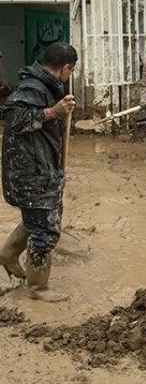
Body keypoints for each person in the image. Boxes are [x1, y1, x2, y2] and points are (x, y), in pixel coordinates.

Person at [0, 42, 78, 302]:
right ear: (66, 68)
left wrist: (58, 111)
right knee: (45, 230)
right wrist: (52, 112)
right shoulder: (31, 88)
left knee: (39, 218)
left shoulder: (45, 85)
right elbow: (13, 119)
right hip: (31, 171)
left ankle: (8, 253)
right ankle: (37, 288)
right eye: (71, 71)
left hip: (40, 167)